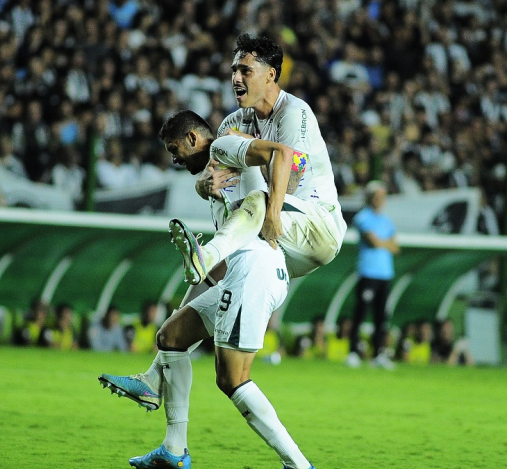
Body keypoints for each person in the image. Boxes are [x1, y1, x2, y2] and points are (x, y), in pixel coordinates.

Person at [97, 114, 319, 469]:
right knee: (171, 337)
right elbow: (215, 270)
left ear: (192, 137)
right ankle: (173, 447)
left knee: (232, 378)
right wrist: (207, 187)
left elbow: (290, 157)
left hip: (257, 268)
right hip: (239, 271)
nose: (174, 159)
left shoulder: (225, 144)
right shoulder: (215, 184)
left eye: (175, 150)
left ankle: (298, 466)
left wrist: (276, 197)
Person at [167, 33, 347, 284]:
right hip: (274, 233)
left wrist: (246, 142)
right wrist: (203, 185)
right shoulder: (232, 122)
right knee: (192, 312)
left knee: (255, 197)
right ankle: (213, 264)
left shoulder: (294, 114)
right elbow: (216, 176)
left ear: (271, 75)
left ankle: (210, 254)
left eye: (245, 71)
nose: (235, 79)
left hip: (317, 226)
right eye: (234, 71)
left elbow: (290, 183)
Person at [346, 181, 400, 369]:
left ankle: (378, 354)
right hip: (368, 272)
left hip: (385, 274)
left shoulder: (386, 220)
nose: (381, 200)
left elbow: (396, 247)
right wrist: (385, 243)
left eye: (383, 197)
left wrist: (382, 243)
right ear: (370, 197)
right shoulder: (363, 217)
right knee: (361, 313)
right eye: (377, 196)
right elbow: (375, 242)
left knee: (381, 316)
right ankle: (353, 352)